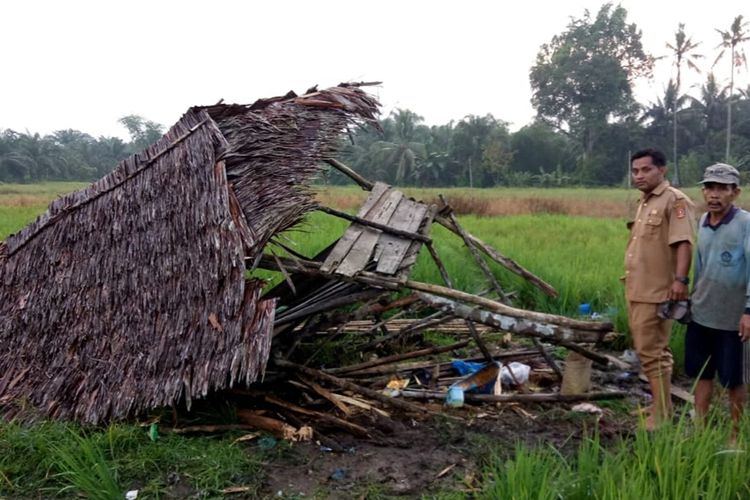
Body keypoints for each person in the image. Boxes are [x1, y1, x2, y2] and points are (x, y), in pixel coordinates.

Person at [624, 148, 696, 429]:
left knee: (651, 351)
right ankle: (659, 405)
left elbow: (683, 243)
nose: (639, 176)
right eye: (635, 171)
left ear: (662, 170)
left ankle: (662, 415)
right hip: (637, 287)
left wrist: (680, 281)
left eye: (646, 170)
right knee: (653, 351)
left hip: (656, 291)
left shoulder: (675, 201)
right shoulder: (645, 201)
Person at [686, 163, 750, 443]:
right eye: (710, 187)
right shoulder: (702, 221)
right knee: (702, 373)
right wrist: (692, 297)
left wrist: (748, 311)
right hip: (702, 313)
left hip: (733, 318)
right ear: (703, 191)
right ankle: (699, 428)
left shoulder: (745, 223)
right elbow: (699, 266)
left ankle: (735, 435)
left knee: (734, 378)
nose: (714, 194)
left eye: (722, 189)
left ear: (734, 193)